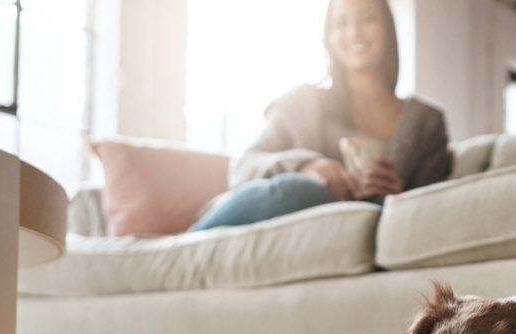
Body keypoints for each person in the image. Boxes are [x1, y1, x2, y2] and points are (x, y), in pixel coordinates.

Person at [190, 0, 452, 231]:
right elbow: (243, 167)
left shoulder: (425, 122)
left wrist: (399, 195)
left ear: (388, 28)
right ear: (328, 36)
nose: (354, 32)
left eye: (367, 18)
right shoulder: (302, 102)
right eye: (341, 22)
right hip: (274, 218)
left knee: (376, 206)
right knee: (306, 190)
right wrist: (305, 167)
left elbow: (431, 212)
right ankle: (181, 248)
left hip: (354, 234)